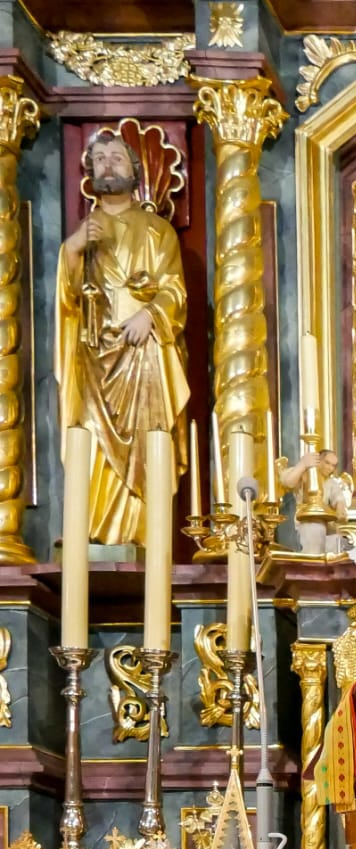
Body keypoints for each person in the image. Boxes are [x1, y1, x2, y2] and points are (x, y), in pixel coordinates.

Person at [56, 128, 190, 545]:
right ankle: (93, 532)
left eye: (116, 157)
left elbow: (175, 289)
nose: (107, 164)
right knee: (91, 437)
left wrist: (151, 315)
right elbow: (68, 302)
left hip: (142, 355)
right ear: (90, 173)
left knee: (147, 441)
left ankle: (143, 533)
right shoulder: (84, 234)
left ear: (134, 170)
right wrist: (74, 250)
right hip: (95, 354)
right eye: (99, 159)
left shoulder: (157, 231)